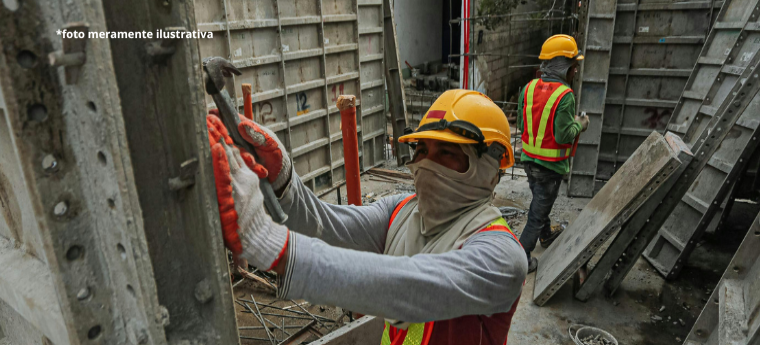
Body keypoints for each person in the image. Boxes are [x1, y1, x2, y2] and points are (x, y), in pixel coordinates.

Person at [207, 89, 527, 345]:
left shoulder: (501, 256)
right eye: (422, 151)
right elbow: (329, 228)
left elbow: (411, 289)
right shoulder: (402, 210)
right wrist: (283, 182)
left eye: (447, 153)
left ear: (489, 170)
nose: (427, 164)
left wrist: (267, 241)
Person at [517, 34, 589, 273]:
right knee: (536, 215)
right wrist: (580, 124)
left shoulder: (528, 89)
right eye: (573, 65)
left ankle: (546, 235)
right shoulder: (565, 96)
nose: (576, 70)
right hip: (550, 167)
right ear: (563, 66)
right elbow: (563, 136)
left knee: (540, 204)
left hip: (528, 161)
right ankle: (521, 258)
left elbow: (520, 124)